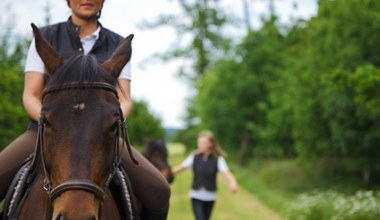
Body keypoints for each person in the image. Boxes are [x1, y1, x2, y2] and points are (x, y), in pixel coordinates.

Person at [0, 0, 170, 219]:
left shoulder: (118, 44)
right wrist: (52, 121)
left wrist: (108, 123)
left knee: (159, 191)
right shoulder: (45, 37)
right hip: (46, 132)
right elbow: (30, 95)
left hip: (100, 134)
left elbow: (125, 99)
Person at [172, 130, 239, 220]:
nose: (200, 145)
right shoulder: (194, 157)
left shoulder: (218, 159)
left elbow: (226, 173)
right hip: (196, 195)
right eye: (199, 142)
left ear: (211, 144)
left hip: (210, 197)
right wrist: (164, 173)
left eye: (203, 142)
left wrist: (232, 182)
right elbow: (180, 168)